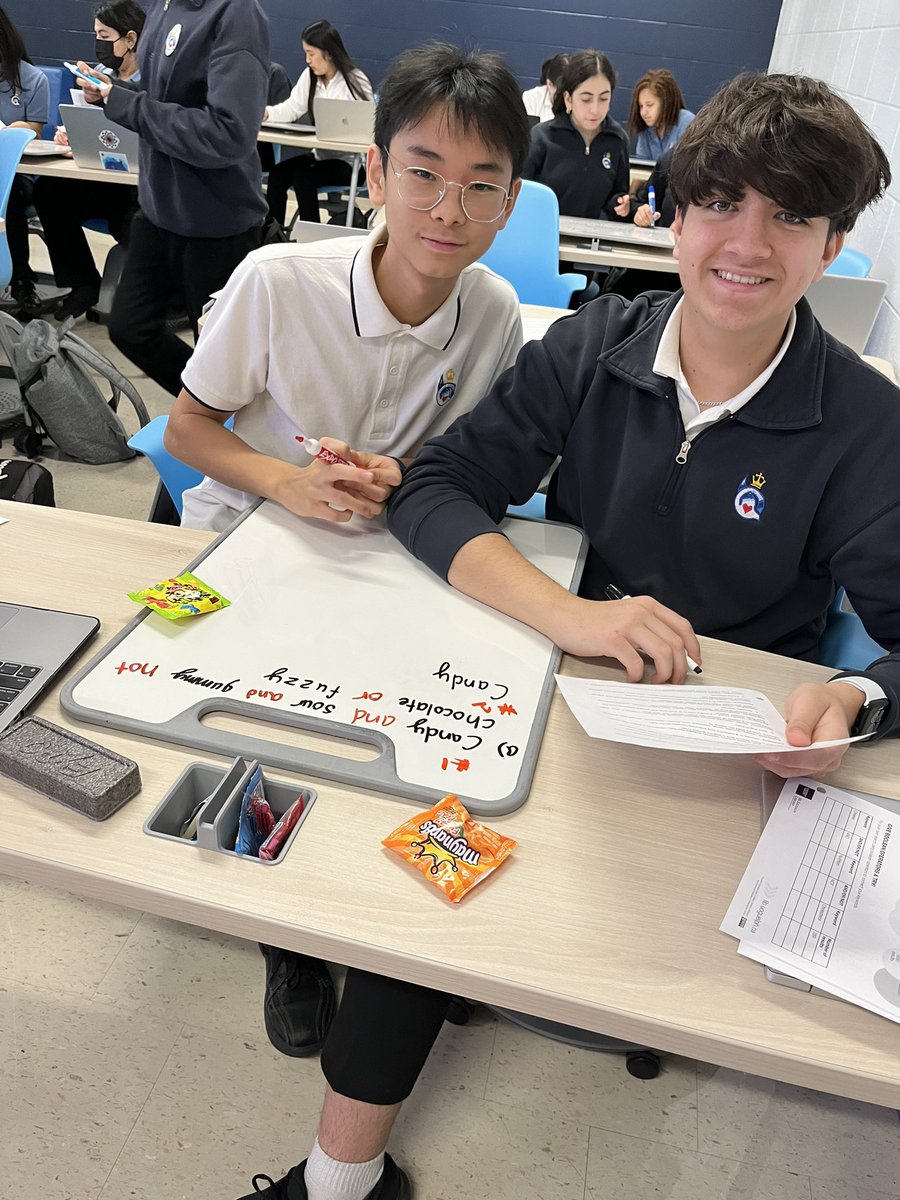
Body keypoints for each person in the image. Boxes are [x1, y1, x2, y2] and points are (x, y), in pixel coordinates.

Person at [164, 43, 530, 1200]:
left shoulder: (499, 315)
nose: (448, 208)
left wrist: (400, 477)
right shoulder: (280, 279)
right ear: (374, 172)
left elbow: (479, 470)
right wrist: (282, 481)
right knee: (251, 724)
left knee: (421, 731)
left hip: (388, 560)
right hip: (250, 543)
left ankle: (387, 944)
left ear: (511, 200)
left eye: (480, 186)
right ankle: (288, 941)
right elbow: (189, 430)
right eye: (423, 174)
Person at [389, 72, 899, 782]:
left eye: (791, 217)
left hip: (741, 736)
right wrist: (569, 615)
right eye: (721, 204)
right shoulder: (595, 344)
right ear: (678, 220)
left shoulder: (867, 425)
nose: (748, 246)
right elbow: (433, 488)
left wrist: (852, 695)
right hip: (554, 683)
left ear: (830, 246)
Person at [74, 0, 269, 397]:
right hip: (159, 212)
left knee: (218, 358)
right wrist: (116, 92)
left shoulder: (234, 13)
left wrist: (128, 105)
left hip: (216, 226)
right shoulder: (164, 6)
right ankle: (209, 413)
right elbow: (163, 97)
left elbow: (227, 136)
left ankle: (221, 426)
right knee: (130, 328)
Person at [31, 0, 144, 323]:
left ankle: (152, 300)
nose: (98, 43)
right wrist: (72, 135)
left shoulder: (155, 78)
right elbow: (96, 129)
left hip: (139, 186)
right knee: (49, 193)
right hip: (99, 177)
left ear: (130, 39)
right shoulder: (100, 77)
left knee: (136, 225)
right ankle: (83, 283)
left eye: (104, 35)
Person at [263, 20, 372, 228]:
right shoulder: (310, 77)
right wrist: (266, 114)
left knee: (303, 177)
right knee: (278, 174)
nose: (307, 60)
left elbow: (369, 127)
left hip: (351, 163)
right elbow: (292, 108)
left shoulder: (355, 81)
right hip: (320, 156)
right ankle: (272, 234)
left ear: (328, 53)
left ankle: (310, 241)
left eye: (311, 54)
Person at [522, 49, 630, 221]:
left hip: (595, 239)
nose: (595, 109)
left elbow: (616, 195)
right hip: (544, 232)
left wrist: (621, 203)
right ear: (568, 99)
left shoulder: (618, 139)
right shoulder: (541, 137)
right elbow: (522, 194)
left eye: (603, 99)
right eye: (586, 99)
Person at [0, 3, 49, 319]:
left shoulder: (32, 79)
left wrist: (16, 131)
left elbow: (34, 133)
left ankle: (21, 278)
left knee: (13, 195)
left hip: (19, 175)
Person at [627, 67, 694, 161]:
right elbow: (642, 168)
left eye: (649, 105)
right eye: (641, 106)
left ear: (666, 102)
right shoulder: (645, 130)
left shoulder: (687, 123)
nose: (643, 112)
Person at [520, 52, 568, 123]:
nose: (566, 98)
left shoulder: (579, 100)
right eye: (560, 93)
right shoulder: (531, 98)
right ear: (549, 84)